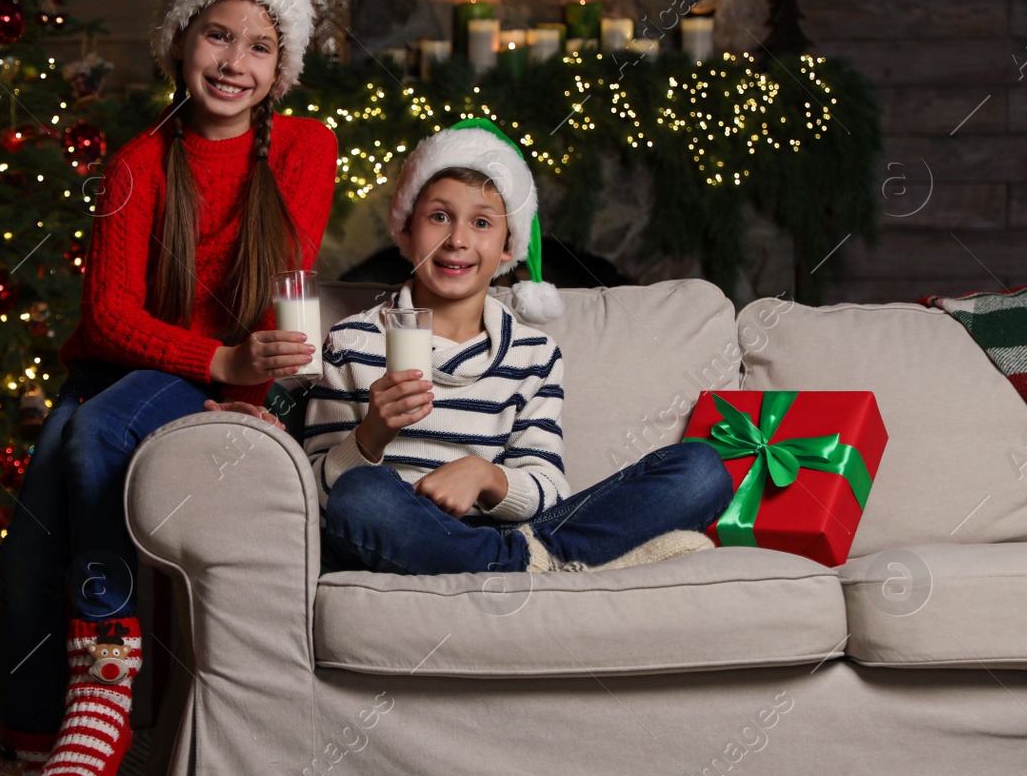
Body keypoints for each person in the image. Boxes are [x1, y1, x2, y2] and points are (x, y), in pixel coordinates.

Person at [0, 0, 338, 776]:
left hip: (206, 375)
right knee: (27, 544)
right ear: (180, 42)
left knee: (89, 438)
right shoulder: (141, 161)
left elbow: (281, 287)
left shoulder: (303, 147)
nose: (235, 62)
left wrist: (244, 394)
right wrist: (212, 361)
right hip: (127, 365)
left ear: (280, 68)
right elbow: (108, 317)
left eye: (260, 47)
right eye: (218, 35)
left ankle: (104, 668)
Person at [305, 118, 734, 576]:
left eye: (483, 222)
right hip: (403, 530)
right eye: (439, 217)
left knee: (701, 470)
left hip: (507, 531)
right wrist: (371, 434)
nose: (458, 240)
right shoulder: (352, 342)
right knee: (362, 497)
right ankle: (532, 564)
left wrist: (486, 476)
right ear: (406, 232)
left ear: (509, 247)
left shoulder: (533, 355)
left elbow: (547, 488)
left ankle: (513, 559)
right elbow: (313, 492)